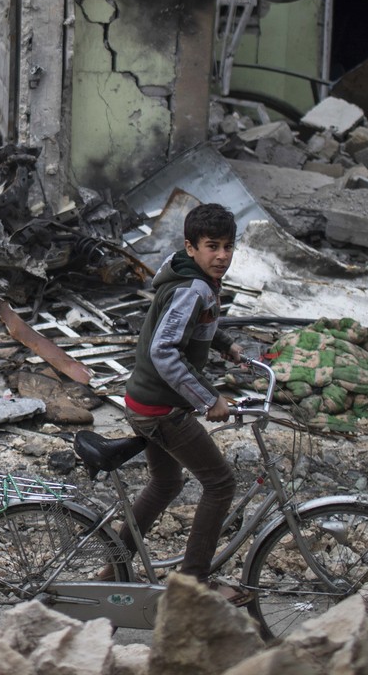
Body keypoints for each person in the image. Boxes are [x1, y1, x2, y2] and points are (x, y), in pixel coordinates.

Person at [117, 202, 246, 599]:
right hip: (161, 408)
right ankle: (193, 582)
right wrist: (210, 399)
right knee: (221, 483)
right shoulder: (193, 287)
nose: (221, 255)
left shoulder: (192, 279)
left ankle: (114, 567)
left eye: (228, 246)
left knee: (167, 482)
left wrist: (224, 344)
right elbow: (165, 350)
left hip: (144, 401)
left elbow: (192, 324)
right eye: (212, 246)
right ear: (191, 247)